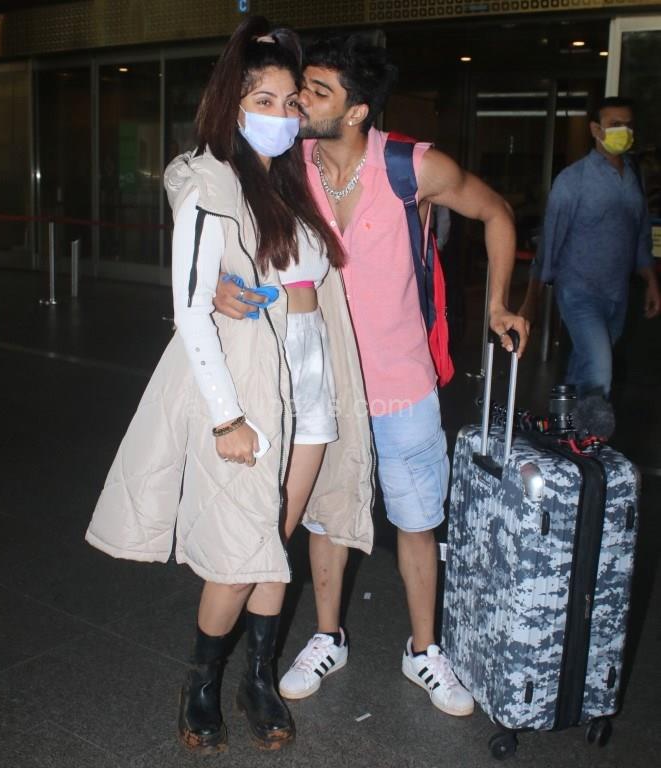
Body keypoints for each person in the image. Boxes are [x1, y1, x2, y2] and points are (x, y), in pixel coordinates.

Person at [214, 34, 529, 717]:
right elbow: (220, 215)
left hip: (402, 381)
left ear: (356, 111)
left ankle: (424, 650)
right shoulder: (288, 164)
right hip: (320, 384)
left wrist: (499, 304)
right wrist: (216, 284)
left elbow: (496, 213)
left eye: (316, 92)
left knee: (415, 521)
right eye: (300, 90)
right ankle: (328, 636)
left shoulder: (410, 166)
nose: (299, 102)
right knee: (328, 517)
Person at [86, 17, 374, 754]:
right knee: (240, 552)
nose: (281, 114)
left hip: (310, 391)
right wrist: (225, 418)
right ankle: (202, 682)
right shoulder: (211, 179)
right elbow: (190, 306)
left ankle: (258, 679)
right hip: (253, 391)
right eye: (263, 100)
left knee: (275, 545)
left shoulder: (289, 181)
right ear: (232, 103)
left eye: (290, 102)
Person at [519, 96, 660, 397]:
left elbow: (640, 235)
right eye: (615, 124)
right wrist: (532, 300)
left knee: (584, 368)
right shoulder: (572, 180)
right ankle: (591, 427)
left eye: (628, 125)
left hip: (617, 296)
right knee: (599, 372)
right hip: (579, 294)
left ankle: (567, 423)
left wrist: (651, 281)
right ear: (596, 130)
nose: (624, 131)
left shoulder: (633, 179)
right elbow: (549, 243)